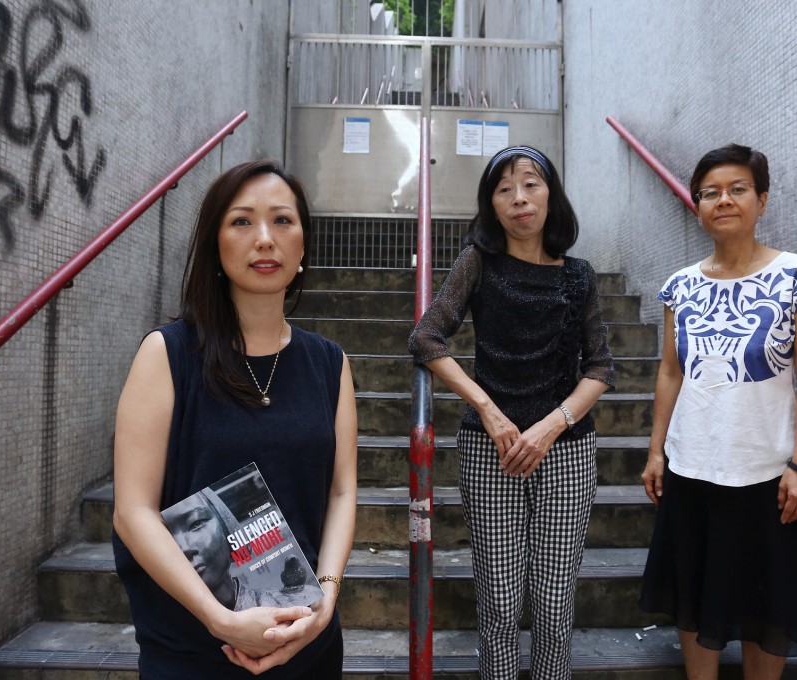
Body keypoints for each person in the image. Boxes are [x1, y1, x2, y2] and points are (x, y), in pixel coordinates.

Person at [112, 160, 357, 679]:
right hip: (196, 648)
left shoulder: (329, 363)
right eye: (242, 221)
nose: (265, 239)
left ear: (304, 245)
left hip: (306, 641)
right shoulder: (167, 354)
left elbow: (341, 492)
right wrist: (220, 619)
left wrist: (327, 600)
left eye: (283, 220)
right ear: (215, 245)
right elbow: (133, 512)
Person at [408, 145, 616, 679]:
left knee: (553, 604)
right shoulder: (478, 263)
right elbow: (426, 338)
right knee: (499, 603)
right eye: (504, 189)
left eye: (530, 184)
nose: (519, 198)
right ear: (492, 205)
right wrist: (487, 407)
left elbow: (599, 367)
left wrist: (550, 426)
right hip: (490, 451)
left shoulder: (579, 275)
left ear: (551, 195)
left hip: (566, 452)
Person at [638, 144, 797, 680]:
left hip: (770, 474)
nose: (723, 200)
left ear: (761, 200)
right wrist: (656, 452)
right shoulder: (680, 286)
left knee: (767, 606)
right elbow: (671, 372)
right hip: (691, 468)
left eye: (737, 189)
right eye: (710, 193)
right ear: (698, 206)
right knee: (693, 595)